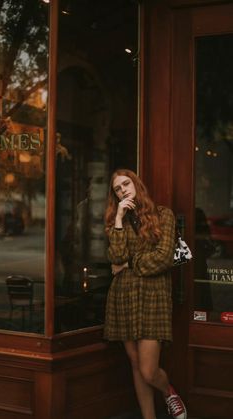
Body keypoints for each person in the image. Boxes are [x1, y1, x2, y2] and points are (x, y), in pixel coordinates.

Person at [104, 169, 187, 419]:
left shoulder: (163, 215)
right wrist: (119, 218)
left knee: (148, 369)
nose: (123, 190)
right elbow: (116, 257)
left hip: (154, 298)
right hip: (124, 298)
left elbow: (163, 259)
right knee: (135, 365)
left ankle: (168, 391)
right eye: (117, 189)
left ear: (137, 184)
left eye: (126, 184)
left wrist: (129, 264)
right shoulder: (114, 221)